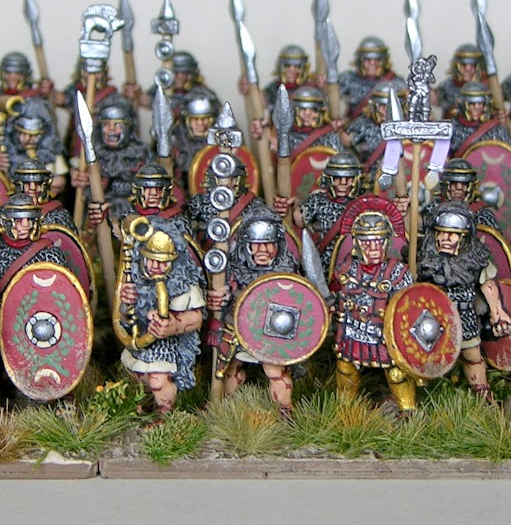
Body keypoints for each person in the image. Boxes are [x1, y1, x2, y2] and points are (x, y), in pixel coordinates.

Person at [418, 203, 511, 404]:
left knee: (472, 355)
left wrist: (497, 312)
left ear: (463, 238)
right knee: (425, 354)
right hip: (432, 317)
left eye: (452, 234)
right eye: (441, 233)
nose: (445, 239)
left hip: (463, 313)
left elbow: (488, 285)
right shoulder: (425, 259)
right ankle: (423, 395)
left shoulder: (474, 260)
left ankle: (481, 392)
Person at [209, 217, 302, 418]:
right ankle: (228, 411)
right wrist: (218, 299)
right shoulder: (236, 273)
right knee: (229, 370)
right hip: (239, 329)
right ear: (247, 246)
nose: (262, 251)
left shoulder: (286, 275)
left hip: (272, 335)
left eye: (268, 244)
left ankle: (285, 413)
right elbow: (226, 297)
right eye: (256, 245)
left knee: (275, 372)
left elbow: (298, 304)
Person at [329, 210, 419, 417]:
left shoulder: (398, 273)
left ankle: (407, 410)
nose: (374, 249)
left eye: (379, 242)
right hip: (352, 330)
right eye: (367, 243)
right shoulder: (346, 269)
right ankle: (344, 409)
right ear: (356, 244)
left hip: (385, 334)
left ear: (386, 243)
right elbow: (335, 293)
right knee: (345, 368)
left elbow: (408, 308)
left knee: (397, 373)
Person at [117, 226, 205, 418]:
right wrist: (126, 303)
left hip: (169, 346)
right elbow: (123, 316)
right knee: (138, 377)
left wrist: (174, 325)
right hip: (140, 340)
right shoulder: (136, 282)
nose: (156, 267)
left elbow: (197, 318)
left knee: (158, 380)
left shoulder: (184, 286)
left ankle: (165, 415)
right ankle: (146, 406)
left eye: (163, 262)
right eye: (152, 260)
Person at [0, 193, 69, 295]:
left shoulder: (50, 253)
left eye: (29, 220)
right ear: (7, 222)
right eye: (18, 221)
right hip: (3, 301)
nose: (25, 225)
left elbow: (63, 287)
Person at [297, 152, 365, 246]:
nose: (343, 183)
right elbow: (299, 222)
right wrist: (290, 208)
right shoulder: (317, 201)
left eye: (349, 178)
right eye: (337, 178)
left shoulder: (365, 203)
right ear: (329, 179)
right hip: (325, 253)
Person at [336, 37, 398, 119]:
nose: (372, 63)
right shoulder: (348, 79)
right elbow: (331, 95)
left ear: (384, 61)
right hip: (356, 124)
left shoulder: (395, 82)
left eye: (377, 60)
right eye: (367, 60)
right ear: (360, 61)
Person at [449, 81, 511, 152]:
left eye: (480, 104)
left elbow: (508, 153)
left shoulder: (496, 129)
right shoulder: (451, 128)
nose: (476, 108)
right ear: (463, 105)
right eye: (471, 104)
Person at [437, 44, 490, 119]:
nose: (468, 70)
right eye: (463, 65)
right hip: (453, 123)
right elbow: (436, 100)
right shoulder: (447, 86)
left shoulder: (486, 87)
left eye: (472, 66)